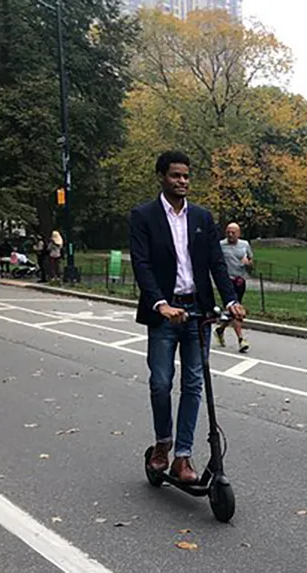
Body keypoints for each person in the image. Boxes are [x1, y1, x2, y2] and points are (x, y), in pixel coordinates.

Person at [129, 150, 247, 483]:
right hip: (165, 314)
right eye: (175, 176)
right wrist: (160, 304)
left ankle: (183, 456)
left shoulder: (202, 218)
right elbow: (142, 265)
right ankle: (162, 443)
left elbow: (216, 263)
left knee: (194, 383)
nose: (182, 181)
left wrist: (231, 300)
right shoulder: (144, 216)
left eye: (186, 176)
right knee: (161, 382)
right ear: (161, 177)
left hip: (197, 312)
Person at [215, 222, 253, 353]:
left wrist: (248, 263)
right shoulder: (220, 245)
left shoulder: (245, 245)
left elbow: (251, 262)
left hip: (240, 281)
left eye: (233, 232)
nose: (230, 235)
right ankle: (241, 340)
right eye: (228, 232)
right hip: (226, 282)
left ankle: (220, 329)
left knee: (234, 310)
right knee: (235, 309)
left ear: (239, 233)